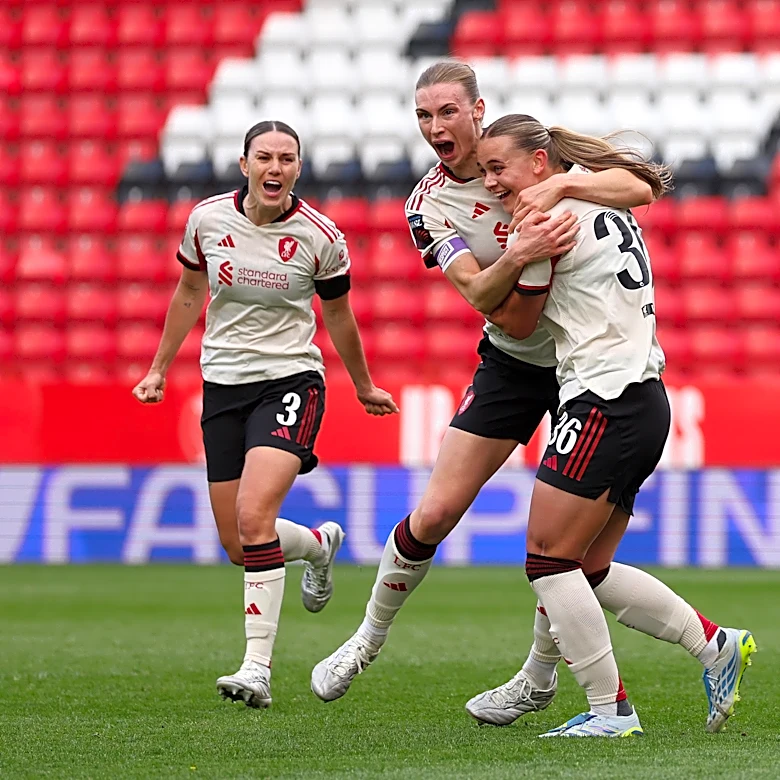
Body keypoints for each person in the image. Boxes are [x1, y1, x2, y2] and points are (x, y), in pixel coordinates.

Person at [310, 61, 657, 703]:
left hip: (587, 364)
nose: (435, 127)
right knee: (437, 510)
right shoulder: (428, 203)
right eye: (423, 115)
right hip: (514, 362)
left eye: (447, 112)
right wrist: (521, 255)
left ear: (477, 110)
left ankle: (539, 676)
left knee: (560, 541)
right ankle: (366, 639)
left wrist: (555, 195)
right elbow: (479, 292)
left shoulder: (528, 163)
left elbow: (637, 185)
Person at [467, 114, 756, 737]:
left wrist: (500, 268)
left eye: (498, 168)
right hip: (644, 398)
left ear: (538, 163)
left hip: (601, 396)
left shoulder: (543, 217)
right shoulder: (594, 187)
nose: (489, 181)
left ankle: (610, 711)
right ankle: (714, 646)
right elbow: (640, 188)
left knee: (547, 561)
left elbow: (517, 321)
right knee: (586, 567)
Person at [132, 120, 398, 709]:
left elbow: (339, 317)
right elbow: (187, 293)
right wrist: (157, 367)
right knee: (238, 542)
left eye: (287, 159)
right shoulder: (206, 220)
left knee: (255, 518)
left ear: (298, 169)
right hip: (223, 384)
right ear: (244, 163)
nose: (275, 168)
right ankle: (318, 547)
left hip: (291, 380)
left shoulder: (320, 236)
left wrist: (363, 385)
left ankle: (257, 668)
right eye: (265, 157)